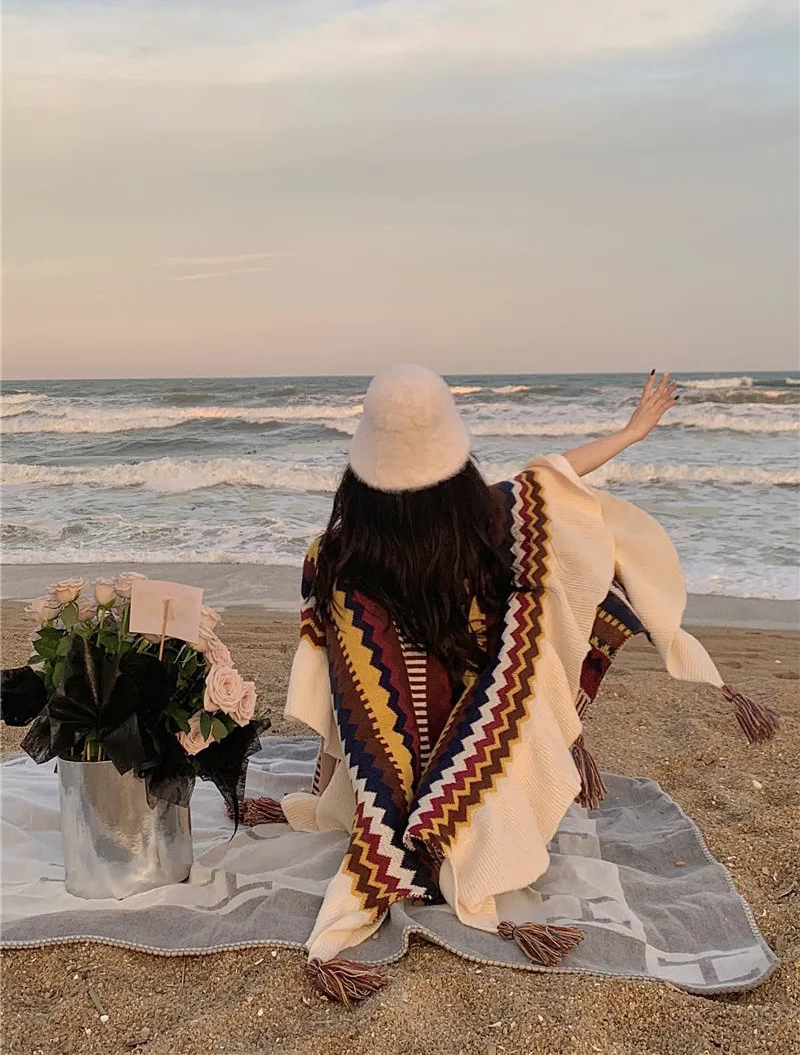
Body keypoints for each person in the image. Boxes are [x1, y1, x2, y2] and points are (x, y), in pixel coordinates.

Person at [243, 364, 779, 1007]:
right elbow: (557, 478)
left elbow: (348, 698)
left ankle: (403, 827)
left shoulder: (331, 557)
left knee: (404, 683)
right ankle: (462, 834)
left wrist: (333, 785)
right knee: (532, 639)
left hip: (389, 766)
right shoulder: (493, 520)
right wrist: (631, 432)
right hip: (479, 754)